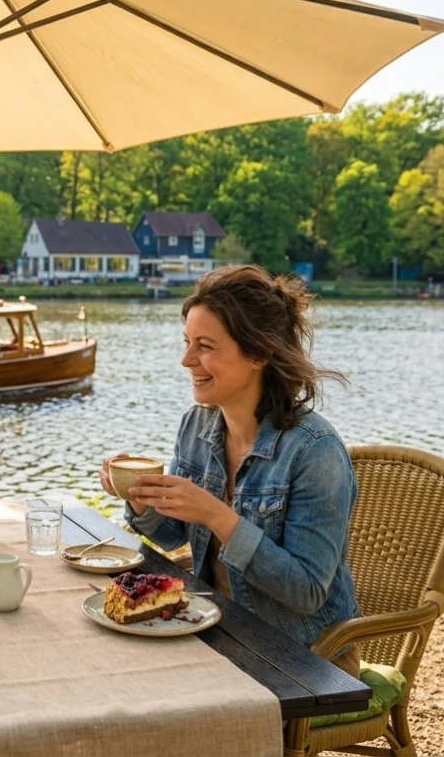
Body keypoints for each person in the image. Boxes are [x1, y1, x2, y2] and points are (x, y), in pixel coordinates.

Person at [98, 265, 361, 679]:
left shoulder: (315, 452)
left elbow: (307, 591)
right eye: (187, 343)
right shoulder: (197, 425)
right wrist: (140, 498)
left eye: (204, 346)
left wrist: (217, 516)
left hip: (305, 656)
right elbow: (171, 536)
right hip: (218, 627)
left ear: (258, 353)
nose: (187, 360)